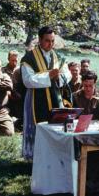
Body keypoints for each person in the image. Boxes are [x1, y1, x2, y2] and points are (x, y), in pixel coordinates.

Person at [21, 26, 69, 159]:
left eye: (53, 41)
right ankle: (35, 158)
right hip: (36, 98)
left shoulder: (58, 56)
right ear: (40, 40)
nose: (51, 44)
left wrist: (59, 77)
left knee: (56, 125)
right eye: (47, 40)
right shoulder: (29, 58)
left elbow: (67, 74)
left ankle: (54, 156)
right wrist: (48, 76)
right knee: (37, 126)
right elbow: (27, 80)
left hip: (55, 96)